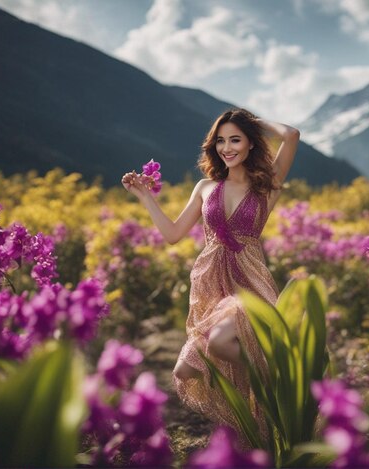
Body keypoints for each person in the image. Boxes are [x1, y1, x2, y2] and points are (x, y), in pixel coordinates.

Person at [121, 107, 299, 441]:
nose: (227, 147)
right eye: (221, 140)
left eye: (236, 139)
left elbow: (291, 135)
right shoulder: (206, 187)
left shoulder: (267, 186)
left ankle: (274, 379)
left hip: (249, 287)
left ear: (250, 145)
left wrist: (252, 121)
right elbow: (173, 233)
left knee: (219, 343)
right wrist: (145, 197)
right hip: (212, 288)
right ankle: (255, 421)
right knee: (184, 369)